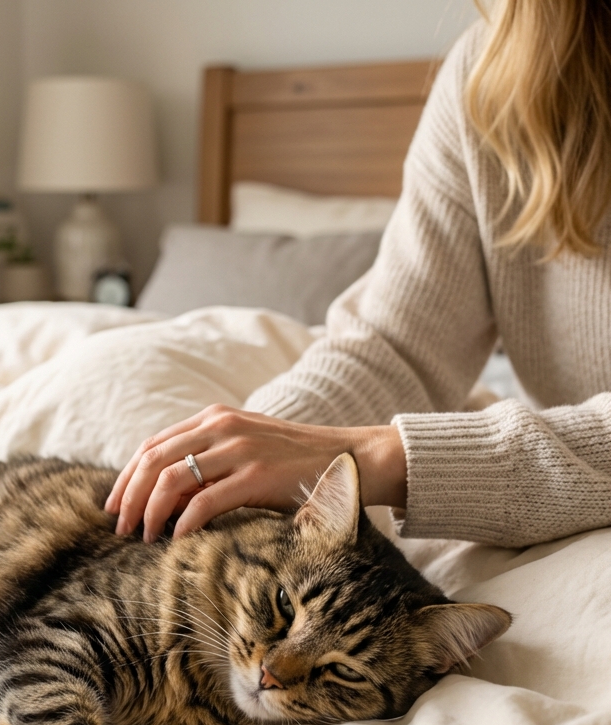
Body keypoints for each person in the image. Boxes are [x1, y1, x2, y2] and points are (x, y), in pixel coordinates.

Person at [106, 0, 611, 550]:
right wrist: (247, 462)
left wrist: (380, 456)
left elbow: (378, 431)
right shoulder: (498, 75)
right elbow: (396, 349)